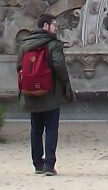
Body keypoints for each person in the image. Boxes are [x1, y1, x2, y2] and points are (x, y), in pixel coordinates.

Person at [16, 11, 75, 175]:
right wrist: (65, 83)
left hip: (30, 92)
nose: (57, 28)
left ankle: (37, 164)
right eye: (55, 25)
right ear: (46, 26)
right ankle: (49, 164)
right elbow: (59, 65)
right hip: (50, 92)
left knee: (35, 128)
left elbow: (19, 67)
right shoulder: (53, 44)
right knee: (51, 128)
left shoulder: (25, 44)